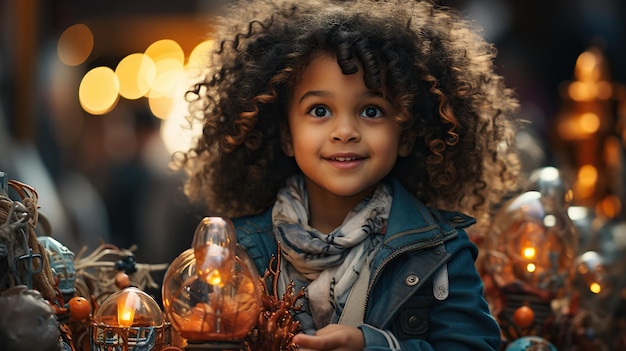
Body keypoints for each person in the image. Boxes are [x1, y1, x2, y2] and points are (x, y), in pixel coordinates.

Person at [177, 0, 522, 349]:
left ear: (405, 134)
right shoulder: (240, 253)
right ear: (285, 135)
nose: (345, 131)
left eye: (371, 110)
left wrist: (372, 345)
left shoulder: (442, 251)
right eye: (320, 110)